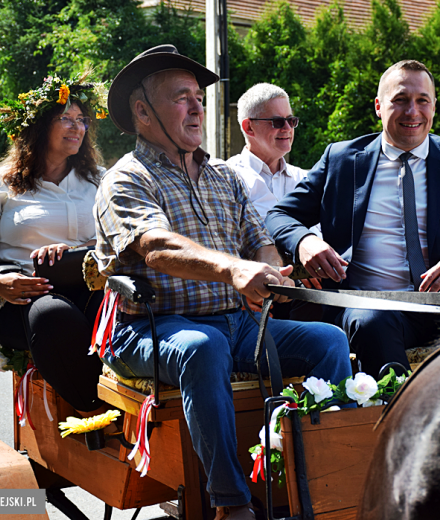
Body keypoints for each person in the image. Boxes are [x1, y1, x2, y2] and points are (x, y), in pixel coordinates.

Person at [95, 45, 351, 520]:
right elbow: (157, 247)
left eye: (199, 96)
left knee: (330, 341)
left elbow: (261, 241)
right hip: (151, 328)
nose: (197, 107)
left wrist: (269, 272)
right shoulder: (125, 178)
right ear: (142, 112)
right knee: (201, 347)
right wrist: (234, 270)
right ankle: (231, 504)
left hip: (236, 323)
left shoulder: (222, 177)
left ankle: (321, 481)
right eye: (181, 97)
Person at [266, 59, 440, 378]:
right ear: (378, 106)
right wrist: (304, 241)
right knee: (372, 320)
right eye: (400, 100)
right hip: (373, 308)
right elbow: (280, 214)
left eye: (422, 101)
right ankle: (397, 418)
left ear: (433, 106)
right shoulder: (342, 161)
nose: (412, 111)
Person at [0, 73, 109, 412]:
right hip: (22, 301)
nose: (78, 127)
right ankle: (94, 411)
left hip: (89, 291)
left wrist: (78, 252)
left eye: (82, 120)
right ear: (38, 127)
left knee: (132, 310)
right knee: (53, 315)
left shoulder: (100, 181)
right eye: (65, 119)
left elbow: (122, 241)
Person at [225, 82, 321, 320]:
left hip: (310, 298)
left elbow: (323, 233)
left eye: (292, 120)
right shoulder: (225, 177)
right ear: (249, 127)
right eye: (278, 122)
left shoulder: (305, 179)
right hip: (253, 300)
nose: (287, 128)